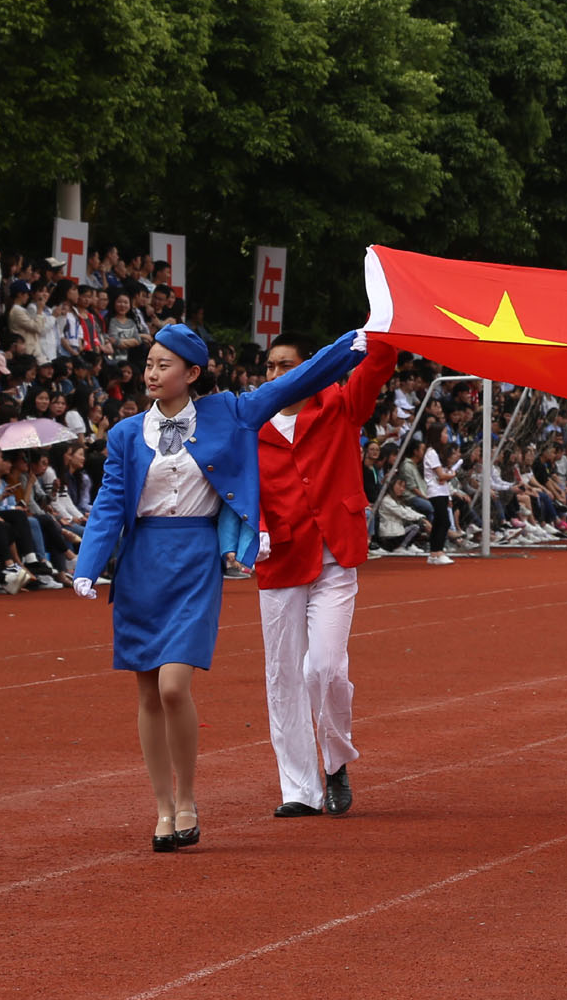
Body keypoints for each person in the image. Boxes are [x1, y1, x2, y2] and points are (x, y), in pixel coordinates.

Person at [70, 323, 366, 853]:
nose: (152, 373)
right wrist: (88, 564)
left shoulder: (227, 411)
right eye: (149, 364)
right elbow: (111, 503)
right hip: (141, 566)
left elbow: (290, 384)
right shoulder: (124, 434)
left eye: (164, 364)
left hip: (195, 559)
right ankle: (166, 808)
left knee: (172, 686)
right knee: (147, 691)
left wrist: (351, 346)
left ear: (193, 373)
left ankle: (188, 800)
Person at [254, 329, 397, 820]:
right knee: (283, 677)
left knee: (326, 669)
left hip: (336, 554)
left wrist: (385, 316)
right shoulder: (251, 422)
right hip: (281, 560)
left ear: (310, 366)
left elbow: (376, 364)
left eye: (286, 364)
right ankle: (299, 788)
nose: (276, 375)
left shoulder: (339, 403)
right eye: (270, 366)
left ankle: (335, 761)